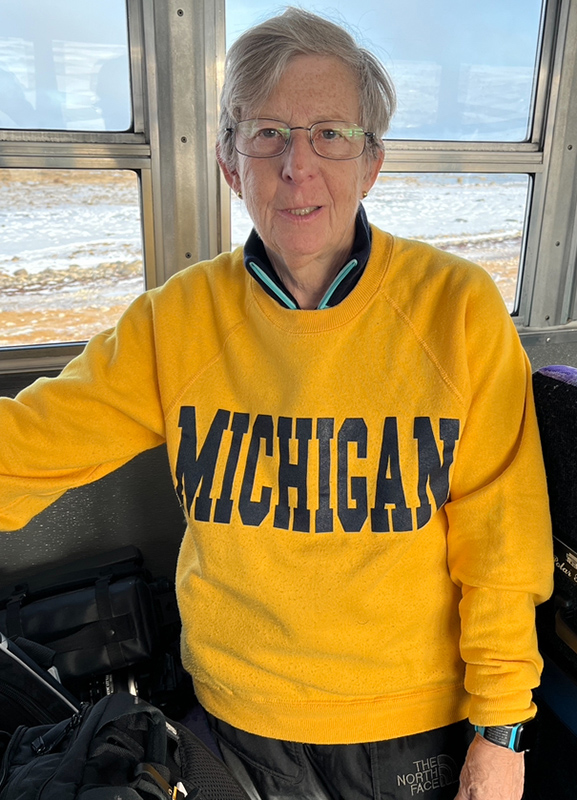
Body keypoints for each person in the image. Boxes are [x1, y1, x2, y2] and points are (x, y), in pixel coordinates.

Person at [0, 8, 553, 800]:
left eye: (330, 133)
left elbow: (502, 545)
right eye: (265, 135)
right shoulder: (177, 319)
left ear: (372, 164)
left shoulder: (456, 309)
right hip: (231, 722)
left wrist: (499, 733)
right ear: (230, 165)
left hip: (408, 727)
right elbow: (28, 445)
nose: (297, 165)